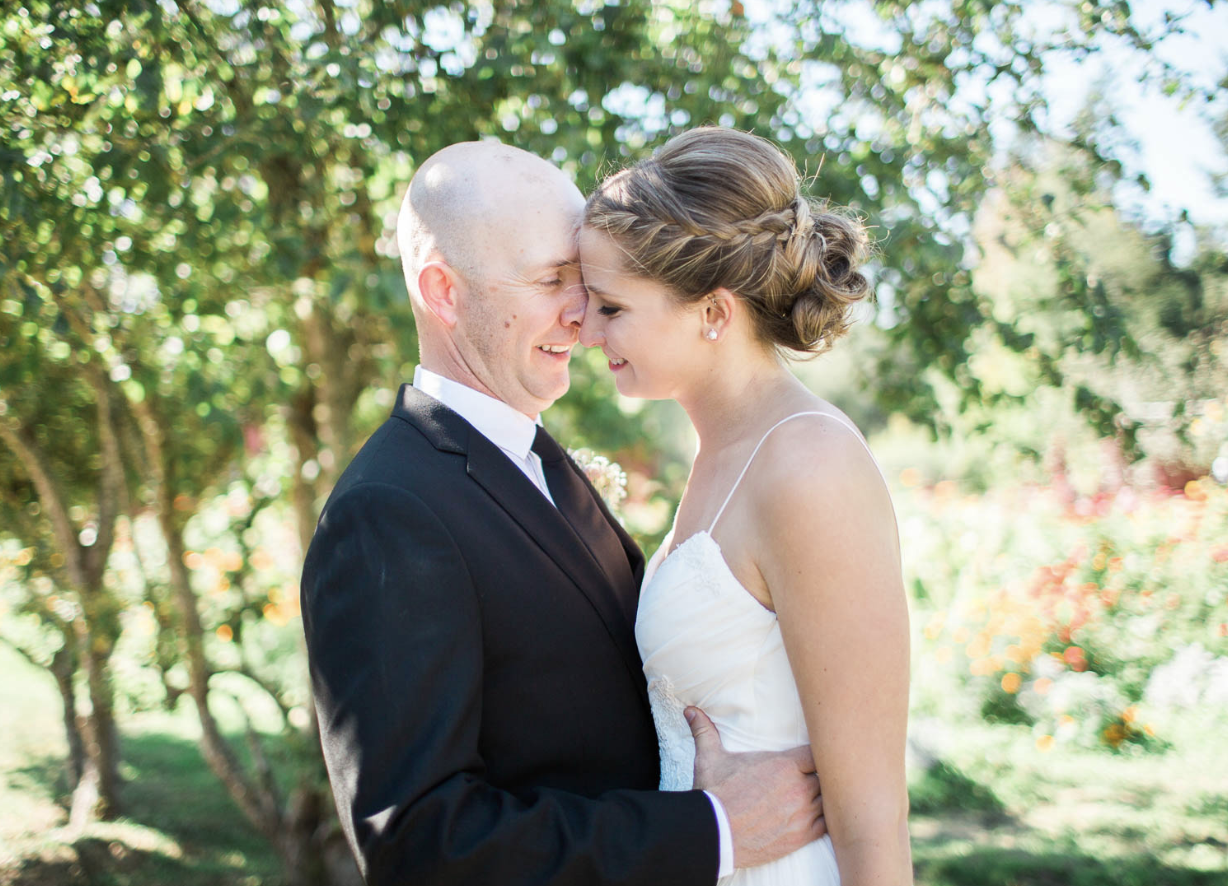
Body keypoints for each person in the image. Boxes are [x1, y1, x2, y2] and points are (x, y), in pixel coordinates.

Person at [299, 140, 826, 886]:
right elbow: (420, 842)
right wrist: (711, 830)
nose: (583, 316)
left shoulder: (541, 461)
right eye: (551, 280)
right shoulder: (388, 513)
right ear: (444, 291)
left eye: (582, 281)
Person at [578, 127, 913, 886]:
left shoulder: (809, 464)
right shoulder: (719, 456)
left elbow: (871, 819)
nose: (588, 330)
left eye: (612, 307)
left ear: (714, 313)